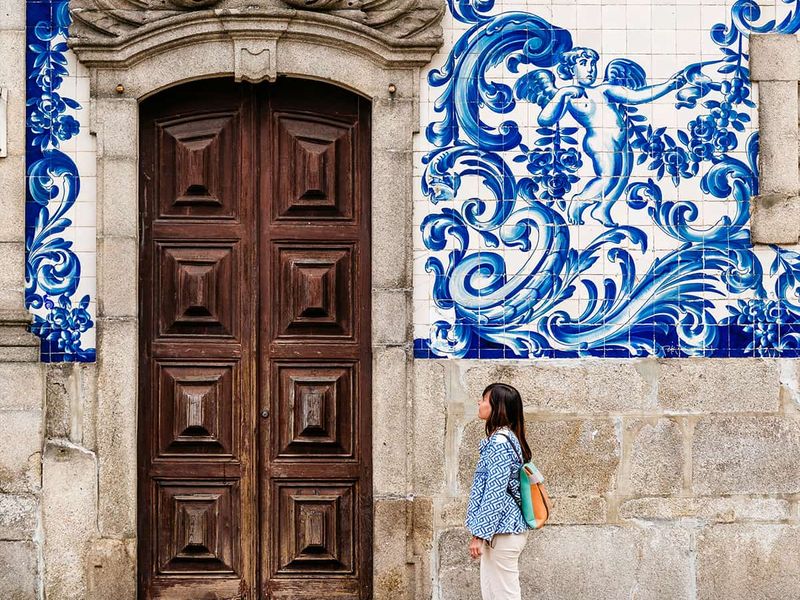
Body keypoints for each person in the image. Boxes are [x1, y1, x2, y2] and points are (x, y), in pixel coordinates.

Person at [466, 382, 534, 600]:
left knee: (504, 595)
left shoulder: (500, 442)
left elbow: (494, 491)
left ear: (498, 408)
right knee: (493, 593)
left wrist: (479, 534)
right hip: (501, 531)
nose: (479, 402)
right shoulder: (506, 438)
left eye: (485, 399)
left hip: (503, 532)